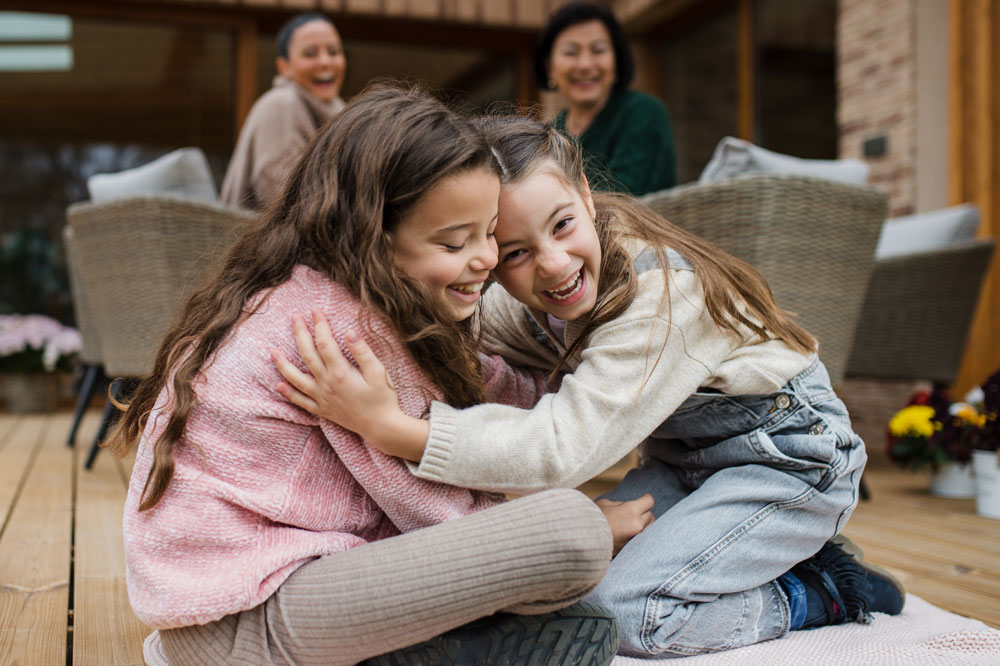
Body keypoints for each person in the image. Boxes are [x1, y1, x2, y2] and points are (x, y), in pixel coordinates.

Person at [273, 115, 907, 659]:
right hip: (686, 465)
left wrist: (391, 428)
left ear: (584, 192)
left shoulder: (662, 299)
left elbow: (561, 450)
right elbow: (455, 319)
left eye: (562, 225)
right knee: (578, 579)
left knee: (630, 613)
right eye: (514, 252)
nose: (551, 264)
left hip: (790, 461)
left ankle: (822, 585)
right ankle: (761, 550)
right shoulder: (532, 300)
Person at [109, 86, 660, 666]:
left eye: (489, 232)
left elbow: (487, 385)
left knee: (584, 613)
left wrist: (583, 374)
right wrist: (584, 530)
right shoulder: (343, 333)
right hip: (256, 616)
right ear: (374, 238)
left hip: (232, 608)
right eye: (455, 241)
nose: (487, 259)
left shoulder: (316, 296)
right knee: (570, 529)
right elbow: (430, 509)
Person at [536, 1, 676, 196]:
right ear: (549, 67)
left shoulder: (643, 113)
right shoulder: (549, 134)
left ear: (616, 60)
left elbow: (621, 199)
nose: (585, 64)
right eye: (571, 52)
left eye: (598, 50)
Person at [220, 12, 347, 210]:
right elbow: (283, 199)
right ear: (284, 67)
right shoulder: (281, 104)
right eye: (310, 54)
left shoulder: (342, 113)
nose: (325, 61)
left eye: (333, 52)